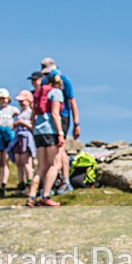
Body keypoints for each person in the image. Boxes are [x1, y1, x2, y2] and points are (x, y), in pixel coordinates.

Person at [41, 58, 81, 193]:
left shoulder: (65, 81)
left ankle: (65, 180)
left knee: (60, 148)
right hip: (50, 119)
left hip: (62, 117)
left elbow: (72, 102)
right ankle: (56, 180)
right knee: (55, 151)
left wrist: (76, 123)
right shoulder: (45, 81)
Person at [26, 70, 64, 207]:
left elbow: (33, 114)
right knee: (55, 164)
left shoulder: (38, 92)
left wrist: (33, 128)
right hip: (50, 131)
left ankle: (31, 196)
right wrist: (60, 132)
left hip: (38, 132)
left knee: (41, 166)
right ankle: (45, 196)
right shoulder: (55, 92)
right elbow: (55, 113)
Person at [10, 90, 36, 194]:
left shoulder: (30, 113)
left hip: (26, 139)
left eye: (23, 101)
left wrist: (22, 123)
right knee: (18, 162)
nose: (21, 103)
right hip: (17, 139)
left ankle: (30, 185)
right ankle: (21, 184)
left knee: (26, 162)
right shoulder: (18, 113)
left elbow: (32, 127)